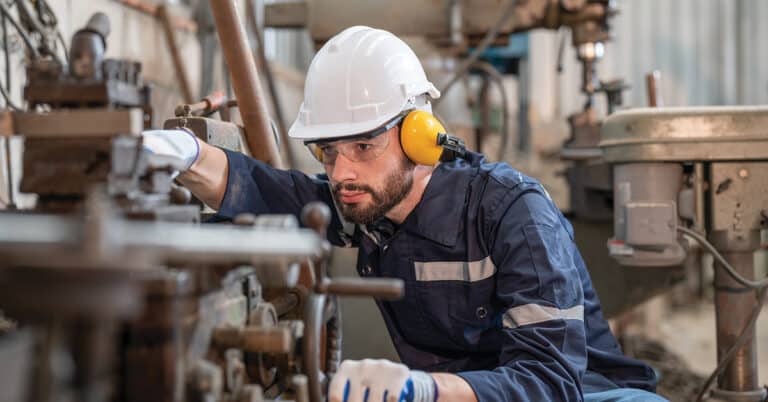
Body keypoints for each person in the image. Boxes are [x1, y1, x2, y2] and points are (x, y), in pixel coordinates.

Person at [146, 26, 667, 402]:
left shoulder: (515, 214)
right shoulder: (368, 203)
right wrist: (186, 156)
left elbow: (551, 382)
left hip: (593, 394)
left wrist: (424, 388)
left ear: (419, 137)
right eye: (327, 151)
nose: (341, 172)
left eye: (363, 147)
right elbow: (273, 192)